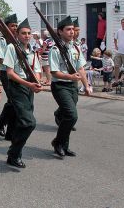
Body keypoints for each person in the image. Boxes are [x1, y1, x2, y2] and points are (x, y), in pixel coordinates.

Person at [49, 16, 90, 159]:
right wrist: (70, 77)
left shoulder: (75, 47)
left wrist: (86, 86)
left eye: (73, 29)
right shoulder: (55, 49)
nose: (72, 32)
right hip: (60, 86)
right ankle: (57, 142)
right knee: (72, 115)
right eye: (68, 29)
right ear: (60, 32)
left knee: (69, 117)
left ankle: (64, 147)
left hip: (73, 86)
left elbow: (81, 69)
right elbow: (54, 72)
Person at [3, 18, 42, 168]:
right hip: (17, 86)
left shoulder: (32, 51)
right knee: (29, 122)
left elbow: (37, 70)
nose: (27, 36)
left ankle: (14, 154)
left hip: (29, 87)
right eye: (23, 33)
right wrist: (29, 84)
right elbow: (10, 73)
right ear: (18, 35)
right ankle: (14, 152)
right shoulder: (12, 48)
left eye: (29, 33)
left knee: (23, 122)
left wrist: (37, 83)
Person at [0, 14, 18, 140]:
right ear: (6, 27)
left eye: (16, 26)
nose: (14, 28)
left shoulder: (18, 39)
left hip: (17, 73)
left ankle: (9, 131)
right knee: (13, 101)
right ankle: (1, 122)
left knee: (14, 102)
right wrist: (11, 64)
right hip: (6, 73)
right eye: (12, 26)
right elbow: (0, 57)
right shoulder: (4, 40)